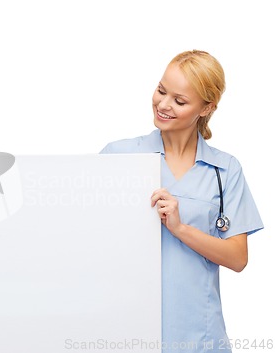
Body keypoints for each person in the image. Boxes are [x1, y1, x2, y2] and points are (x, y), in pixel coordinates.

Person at [100, 50, 263, 352]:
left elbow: (238, 259)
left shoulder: (224, 170)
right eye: (161, 90)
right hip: (128, 329)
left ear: (207, 107)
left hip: (200, 336)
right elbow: (89, 241)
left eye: (179, 101)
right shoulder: (118, 158)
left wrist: (180, 228)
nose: (163, 105)